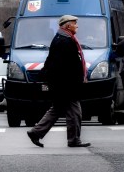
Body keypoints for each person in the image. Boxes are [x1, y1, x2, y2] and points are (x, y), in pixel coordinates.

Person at [26, 15, 90, 148]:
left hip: (62, 83)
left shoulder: (63, 39)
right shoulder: (64, 41)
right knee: (74, 112)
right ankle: (73, 140)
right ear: (67, 26)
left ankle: (36, 132)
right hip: (66, 84)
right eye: (74, 23)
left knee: (57, 109)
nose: (77, 26)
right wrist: (76, 81)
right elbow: (65, 66)